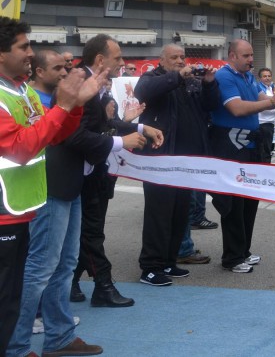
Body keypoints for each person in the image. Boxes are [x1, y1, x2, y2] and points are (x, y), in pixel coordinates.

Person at [2, 41, 118, 357]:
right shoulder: (26, 97)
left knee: (64, 265)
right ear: (39, 71)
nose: (66, 72)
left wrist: (77, 104)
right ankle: (17, 344)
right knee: (39, 269)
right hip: (41, 193)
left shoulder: (33, 96)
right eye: (58, 68)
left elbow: (62, 132)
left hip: (65, 186)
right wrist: (69, 105)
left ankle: (59, 336)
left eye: (66, 67)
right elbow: (40, 142)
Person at [72, 34, 162, 309]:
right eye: (118, 58)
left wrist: (139, 127)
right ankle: (103, 286)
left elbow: (106, 121)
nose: (123, 63)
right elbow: (78, 135)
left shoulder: (98, 85)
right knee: (90, 233)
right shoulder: (79, 85)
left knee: (88, 232)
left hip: (94, 170)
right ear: (100, 60)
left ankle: (72, 280)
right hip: (77, 173)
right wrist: (122, 141)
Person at [134, 45, 219, 287]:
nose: (181, 61)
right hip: (161, 160)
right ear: (162, 60)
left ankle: (169, 261)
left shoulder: (189, 82)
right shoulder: (153, 78)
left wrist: (210, 83)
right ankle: (150, 267)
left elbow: (209, 106)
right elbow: (144, 92)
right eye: (175, 57)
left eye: (183, 57)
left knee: (179, 214)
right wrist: (177, 77)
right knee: (158, 215)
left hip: (186, 161)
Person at [208, 40, 275, 273]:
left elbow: (261, 100)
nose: (251, 59)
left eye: (251, 55)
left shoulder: (248, 77)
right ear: (232, 56)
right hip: (229, 143)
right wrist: (272, 101)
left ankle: (243, 251)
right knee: (233, 202)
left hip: (249, 143)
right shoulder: (224, 77)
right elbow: (237, 108)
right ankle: (232, 257)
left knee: (249, 199)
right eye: (246, 55)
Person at [255, 67, 275, 164]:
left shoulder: (270, 88)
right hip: (263, 123)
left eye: (269, 76)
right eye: (265, 76)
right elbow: (264, 105)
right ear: (260, 78)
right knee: (264, 152)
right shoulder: (260, 88)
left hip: (270, 123)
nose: (267, 78)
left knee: (267, 150)